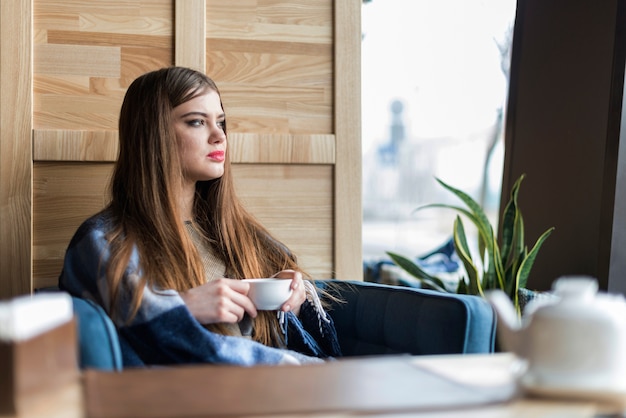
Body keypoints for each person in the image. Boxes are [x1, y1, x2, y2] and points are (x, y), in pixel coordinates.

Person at [58, 66, 342, 367]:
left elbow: (315, 341)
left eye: (221, 122)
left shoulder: (243, 236)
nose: (219, 136)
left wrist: (292, 303)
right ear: (154, 134)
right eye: (196, 122)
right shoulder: (104, 241)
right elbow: (135, 337)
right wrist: (186, 306)